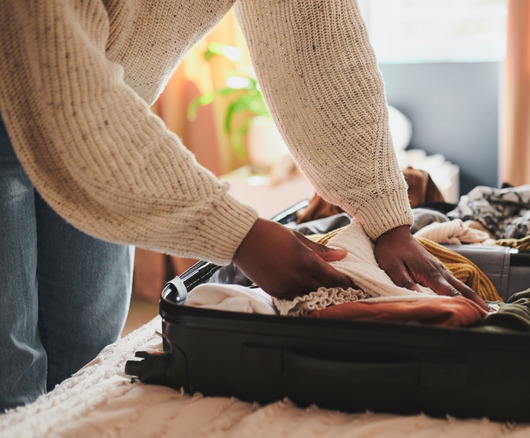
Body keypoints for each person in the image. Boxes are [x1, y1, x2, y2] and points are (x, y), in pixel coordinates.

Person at [0, 0, 486, 411]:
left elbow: (317, 47)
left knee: (86, 366)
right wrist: (238, 234)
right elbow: (60, 87)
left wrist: (385, 216)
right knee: (12, 376)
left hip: (114, 118)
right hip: (39, 93)